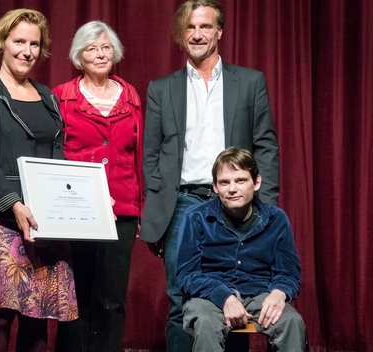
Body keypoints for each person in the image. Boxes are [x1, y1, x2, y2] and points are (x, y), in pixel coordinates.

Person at [141, 0, 279, 350]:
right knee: (179, 301)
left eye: (205, 26)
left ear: (219, 31)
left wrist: (265, 205)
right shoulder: (161, 88)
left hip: (235, 204)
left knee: (237, 297)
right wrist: (155, 210)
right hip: (183, 205)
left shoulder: (249, 82)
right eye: (190, 27)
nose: (197, 34)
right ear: (181, 34)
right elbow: (152, 154)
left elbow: (266, 146)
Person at [0, 9, 78, 352]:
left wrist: (89, 198)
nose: (27, 51)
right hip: (1, 220)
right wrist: (14, 202)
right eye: (19, 42)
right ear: (2, 43)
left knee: (38, 317)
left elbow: (58, 161)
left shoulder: (48, 97)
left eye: (35, 44)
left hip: (46, 221)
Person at [52, 21, 144, 352]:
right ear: (79, 56)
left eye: (106, 47)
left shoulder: (130, 96)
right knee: (77, 298)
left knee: (112, 298)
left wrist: (139, 209)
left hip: (122, 210)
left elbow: (138, 154)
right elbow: (54, 154)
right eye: (92, 48)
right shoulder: (62, 97)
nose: (100, 54)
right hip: (78, 210)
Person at [176, 147, 306, 351]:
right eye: (224, 182)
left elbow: (289, 272)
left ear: (256, 182)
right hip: (210, 297)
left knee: (291, 321)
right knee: (205, 322)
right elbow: (186, 273)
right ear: (215, 187)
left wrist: (280, 293)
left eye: (240, 180)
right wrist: (223, 296)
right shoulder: (196, 217)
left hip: (259, 293)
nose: (232, 189)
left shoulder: (276, 219)